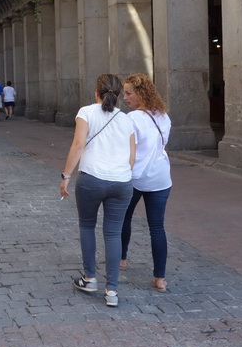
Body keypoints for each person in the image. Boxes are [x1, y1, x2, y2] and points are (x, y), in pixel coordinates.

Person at [60, 73, 136, 308]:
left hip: (92, 179)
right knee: (113, 234)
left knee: (87, 226)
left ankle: (90, 278)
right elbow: (132, 157)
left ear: (96, 92)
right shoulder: (126, 119)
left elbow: (78, 144)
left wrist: (66, 176)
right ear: (120, 95)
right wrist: (120, 173)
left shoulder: (86, 112)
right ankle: (112, 291)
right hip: (122, 182)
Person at [120, 73, 172, 293]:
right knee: (157, 228)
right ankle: (160, 277)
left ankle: (121, 258)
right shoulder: (164, 116)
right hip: (161, 177)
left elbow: (126, 149)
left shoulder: (132, 119)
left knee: (124, 218)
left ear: (141, 94)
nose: (125, 98)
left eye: (128, 93)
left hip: (135, 177)